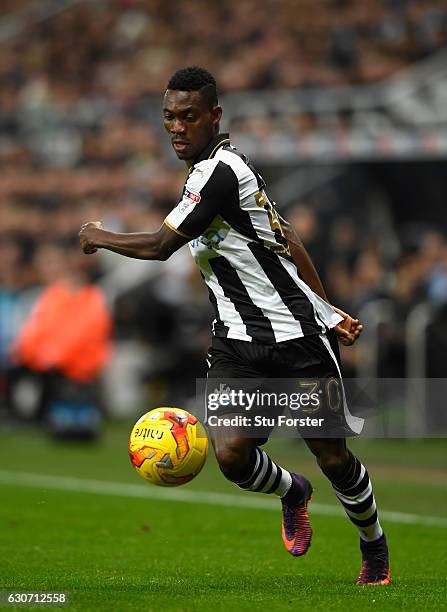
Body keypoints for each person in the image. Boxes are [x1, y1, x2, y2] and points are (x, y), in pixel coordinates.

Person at [79, 66, 390, 585]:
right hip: (235, 345)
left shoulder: (220, 174)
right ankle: (293, 491)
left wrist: (98, 235)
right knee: (229, 454)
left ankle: (374, 546)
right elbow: (287, 240)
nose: (177, 127)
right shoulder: (215, 171)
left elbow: (160, 247)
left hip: (296, 342)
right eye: (169, 117)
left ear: (215, 116)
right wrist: (332, 307)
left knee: (333, 457)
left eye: (188, 116)